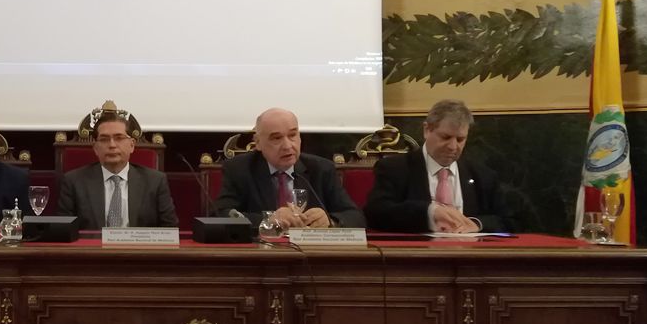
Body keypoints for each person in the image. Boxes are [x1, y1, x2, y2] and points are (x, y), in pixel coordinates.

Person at [364, 99, 510, 233]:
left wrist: (476, 224)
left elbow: (508, 220)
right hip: (417, 251)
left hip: (469, 251)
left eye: (460, 139)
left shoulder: (482, 176)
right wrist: (430, 212)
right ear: (427, 130)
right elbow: (375, 214)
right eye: (446, 137)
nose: (453, 146)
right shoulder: (395, 169)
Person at [213, 108, 364, 228]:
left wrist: (331, 221)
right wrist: (268, 219)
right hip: (262, 252)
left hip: (310, 253)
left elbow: (356, 217)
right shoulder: (239, 169)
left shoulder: (321, 169)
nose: (287, 146)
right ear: (258, 143)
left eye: (292, 135)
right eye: (276, 138)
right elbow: (220, 215)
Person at [57, 112, 178, 229]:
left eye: (119, 138)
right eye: (104, 139)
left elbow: (170, 229)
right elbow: (63, 230)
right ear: (96, 148)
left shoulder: (155, 182)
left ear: (132, 145)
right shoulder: (74, 181)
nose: (112, 145)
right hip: (93, 244)